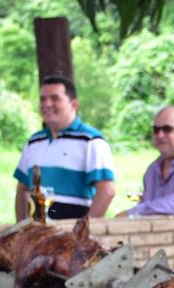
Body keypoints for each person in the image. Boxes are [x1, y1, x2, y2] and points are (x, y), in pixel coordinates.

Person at [13, 75, 115, 221]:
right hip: (37, 232)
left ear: (74, 104)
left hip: (72, 232)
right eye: (43, 99)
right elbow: (22, 189)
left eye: (55, 98)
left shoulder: (91, 141)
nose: (47, 104)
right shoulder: (33, 142)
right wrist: (21, 228)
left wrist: (84, 229)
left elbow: (107, 191)